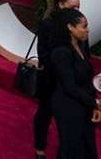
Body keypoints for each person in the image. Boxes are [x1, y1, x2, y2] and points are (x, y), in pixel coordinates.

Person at [34, 0, 81, 159]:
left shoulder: (79, 24)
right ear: (60, 5)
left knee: (68, 117)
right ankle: (40, 148)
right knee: (45, 114)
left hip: (70, 81)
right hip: (50, 80)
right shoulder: (47, 24)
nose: (76, 11)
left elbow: (83, 53)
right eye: (72, 7)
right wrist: (64, 69)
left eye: (78, 7)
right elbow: (43, 55)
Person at [50, 8, 98, 159]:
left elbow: (86, 78)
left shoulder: (82, 46)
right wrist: (95, 102)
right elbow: (70, 87)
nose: (87, 30)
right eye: (84, 26)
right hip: (68, 108)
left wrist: (93, 104)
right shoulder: (61, 52)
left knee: (87, 146)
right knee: (72, 149)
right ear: (70, 27)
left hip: (83, 104)